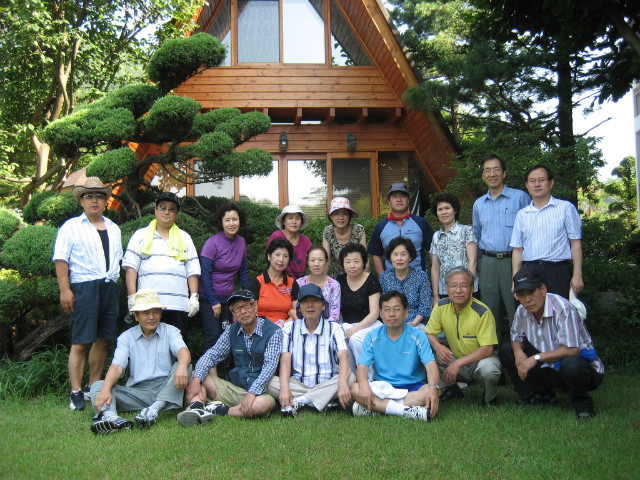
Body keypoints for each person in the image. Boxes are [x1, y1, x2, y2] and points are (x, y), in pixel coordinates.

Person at [53, 177, 123, 411]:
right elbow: (61, 259)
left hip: (109, 287)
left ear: (105, 201)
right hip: (84, 287)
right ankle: (75, 391)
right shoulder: (71, 227)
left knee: (103, 339)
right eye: (89, 196)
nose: (94, 200)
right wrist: (65, 290)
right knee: (81, 341)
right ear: (81, 201)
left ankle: (92, 386)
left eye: (99, 196)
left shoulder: (113, 228)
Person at [499, 268, 604, 419]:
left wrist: (535, 358)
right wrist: (518, 352)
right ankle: (541, 395)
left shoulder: (563, 308)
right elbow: (516, 337)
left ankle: (583, 405)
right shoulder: (521, 311)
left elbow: (572, 350)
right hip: (549, 365)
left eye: (531, 292)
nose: (527, 299)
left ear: (543, 289)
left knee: (572, 363)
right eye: (521, 295)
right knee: (506, 350)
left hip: (583, 366)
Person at [89, 289, 191, 434]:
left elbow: (183, 351)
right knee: (98, 385)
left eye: (156, 312)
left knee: (185, 365)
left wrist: (182, 365)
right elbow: (117, 366)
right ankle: (111, 418)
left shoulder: (171, 331)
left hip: (166, 389)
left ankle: (153, 410)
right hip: (137, 393)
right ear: (136, 316)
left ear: (161, 313)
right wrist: (105, 390)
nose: (152, 317)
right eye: (146, 313)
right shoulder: (126, 337)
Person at [176, 290, 283, 425]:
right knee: (195, 375)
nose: (243, 311)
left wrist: (252, 394)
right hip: (234, 388)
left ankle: (219, 410)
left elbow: (269, 367)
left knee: (261, 405)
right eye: (237, 308)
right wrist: (196, 380)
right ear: (233, 313)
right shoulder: (231, 330)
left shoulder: (273, 331)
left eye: (246, 306)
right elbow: (212, 355)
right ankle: (196, 408)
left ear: (255, 306)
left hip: (260, 392)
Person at [350, 291, 440, 421]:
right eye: (387, 310)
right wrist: (364, 385)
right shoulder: (372, 336)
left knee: (431, 390)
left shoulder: (418, 335)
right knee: (355, 388)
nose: (391, 314)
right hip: (382, 387)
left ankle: (378, 408)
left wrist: (433, 387)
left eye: (397, 309)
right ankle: (404, 411)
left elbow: (430, 364)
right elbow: (362, 366)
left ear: (406, 312)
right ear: (381, 314)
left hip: (413, 387)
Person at [267, 284, 354, 416]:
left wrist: (342, 385)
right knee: (269, 382)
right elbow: (285, 360)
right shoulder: (289, 328)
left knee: (350, 378)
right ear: (299, 307)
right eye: (305, 302)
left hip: (327, 381)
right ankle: (325, 398)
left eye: (315, 301)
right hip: (298, 384)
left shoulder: (334, 328)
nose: (310, 305)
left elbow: (343, 357)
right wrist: (284, 389)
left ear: (323, 306)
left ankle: (301, 400)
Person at [122, 192, 200, 341]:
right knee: (148, 346)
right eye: (162, 207)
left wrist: (194, 297)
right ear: (155, 210)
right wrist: (132, 297)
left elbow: (192, 270)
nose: (167, 212)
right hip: (148, 306)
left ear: (177, 214)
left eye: (172, 209)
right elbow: (131, 269)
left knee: (177, 347)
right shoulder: (140, 235)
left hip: (178, 305)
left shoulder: (185, 237)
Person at [472, 154, 530, 341]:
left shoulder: (520, 198)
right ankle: (493, 350)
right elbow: (477, 234)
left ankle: (519, 348)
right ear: (483, 176)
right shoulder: (479, 204)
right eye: (487, 171)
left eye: (496, 169)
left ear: (504, 173)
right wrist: (479, 266)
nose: (492, 174)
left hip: (513, 260)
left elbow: (530, 230)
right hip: (488, 261)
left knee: (516, 307)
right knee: (489, 309)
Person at [425, 267, 501, 406]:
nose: (458, 290)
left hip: (479, 361)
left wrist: (458, 363)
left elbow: (488, 349)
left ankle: (490, 398)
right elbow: (429, 332)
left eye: (464, 286)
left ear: (472, 289)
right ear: (447, 289)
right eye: (453, 286)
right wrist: (438, 346)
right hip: (455, 358)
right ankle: (451, 389)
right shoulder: (441, 306)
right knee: (429, 353)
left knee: (490, 369)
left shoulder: (482, 312)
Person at [510, 165, 583, 299]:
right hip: (529, 271)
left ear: (551, 183)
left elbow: (575, 243)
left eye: (541, 180)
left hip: (557, 271)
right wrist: (515, 279)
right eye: (532, 181)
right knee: (531, 310)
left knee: (558, 309)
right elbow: (517, 250)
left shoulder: (565, 208)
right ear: (527, 185)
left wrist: (577, 274)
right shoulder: (522, 214)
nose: (537, 184)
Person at [199, 202, 250, 350]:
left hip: (228, 298)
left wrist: (248, 296)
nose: (231, 223)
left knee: (227, 335)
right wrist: (214, 301)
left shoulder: (241, 242)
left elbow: (243, 271)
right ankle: (207, 365)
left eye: (235, 219)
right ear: (221, 222)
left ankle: (226, 365)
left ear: (240, 220)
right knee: (213, 335)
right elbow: (205, 274)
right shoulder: (212, 243)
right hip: (209, 298)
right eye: (227, 220)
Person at [368, 182, 434, 274]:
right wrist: (383, 278)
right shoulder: (381, 227)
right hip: (390, 280)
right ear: (389, 201)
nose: (399, 200)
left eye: (403, 196)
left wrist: (434, 274)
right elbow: (376, 255)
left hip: (419, 279)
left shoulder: (421, 223)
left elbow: (433, 249)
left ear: (408, 200)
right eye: (394, 196)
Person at [336, 243, 381, 371]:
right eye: (348, 262)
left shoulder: (371, 281)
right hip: (347, 324)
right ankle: (350, 376)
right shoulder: (339, 280)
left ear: (364, 262)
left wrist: (355, 329)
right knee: (341, 341)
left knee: (355, 339)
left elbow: (374, 313)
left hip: (370, 324)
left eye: (356, 261)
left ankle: (368, 375)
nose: (352, 265)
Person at [430, 192, 478, 305]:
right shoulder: (436, 236)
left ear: (455, 210)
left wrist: (469, 288)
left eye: (447, 208)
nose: (443, 212)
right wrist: (436, 295)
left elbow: (473, 261)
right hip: (445, 290)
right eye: (440, 209)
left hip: (465, 289)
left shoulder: (466, 231)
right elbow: (435, 267)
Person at [378, 237, 432, 328]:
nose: (399, 258)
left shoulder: (421, 276)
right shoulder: (384, 277)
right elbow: (381, 305)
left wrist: (414, 323)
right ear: (390, 257)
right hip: (390, 323)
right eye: (395, 255)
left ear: (410, 257)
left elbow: (425, 305)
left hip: (415, 323)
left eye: (403, 254)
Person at [249, 238, 299, 326]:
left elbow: (296, 311)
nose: (281, 259)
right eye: (277, 255)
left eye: (285, 256)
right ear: (269, 256)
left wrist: (285, 326)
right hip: (261, 327)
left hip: (286, 327)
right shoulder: (257, 281)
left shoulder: (292, 283)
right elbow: (250, 311)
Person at [322, 197, 367, 276]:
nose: (341, 218)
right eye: (337, 214)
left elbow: (364, 258)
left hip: (357, 276)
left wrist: (365, 279)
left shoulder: (358, 230)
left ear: (349, 216)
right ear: (331, 216)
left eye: (345, 214)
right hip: (337, 278)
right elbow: (326, 260)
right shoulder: (328, 232)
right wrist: (323, 280)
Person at [296, 246, 341, 323]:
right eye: (312, 260)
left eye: (320, 260)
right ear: (308, 262)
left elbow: (335, 316)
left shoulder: (334, 285)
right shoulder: (299, 283)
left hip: (330, 325)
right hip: (304, 325)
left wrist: (321, 327)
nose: (316, 264)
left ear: (326, 262)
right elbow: (295, 309)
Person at [267, 205, 312, 279]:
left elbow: (311, 260)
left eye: (297, 218)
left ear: (301, 222)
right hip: (279, 280)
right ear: (283, 221)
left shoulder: (305, 240)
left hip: (299, 281)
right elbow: (269, 259)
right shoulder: (276, 236)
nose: (294, 222)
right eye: (290, 218)